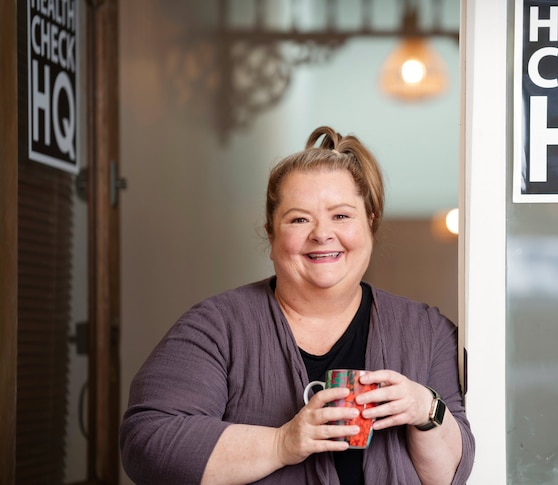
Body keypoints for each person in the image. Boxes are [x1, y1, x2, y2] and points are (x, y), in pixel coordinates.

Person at [120, 126, 475, 484]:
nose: (322, 233)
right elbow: (147, 443)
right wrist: (282, 443)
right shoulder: (216, 327)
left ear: (370, 223)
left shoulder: (428, 332)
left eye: (341, 215)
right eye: (299, 219)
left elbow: (449, 477)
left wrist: (425, 408)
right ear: (272, 235)